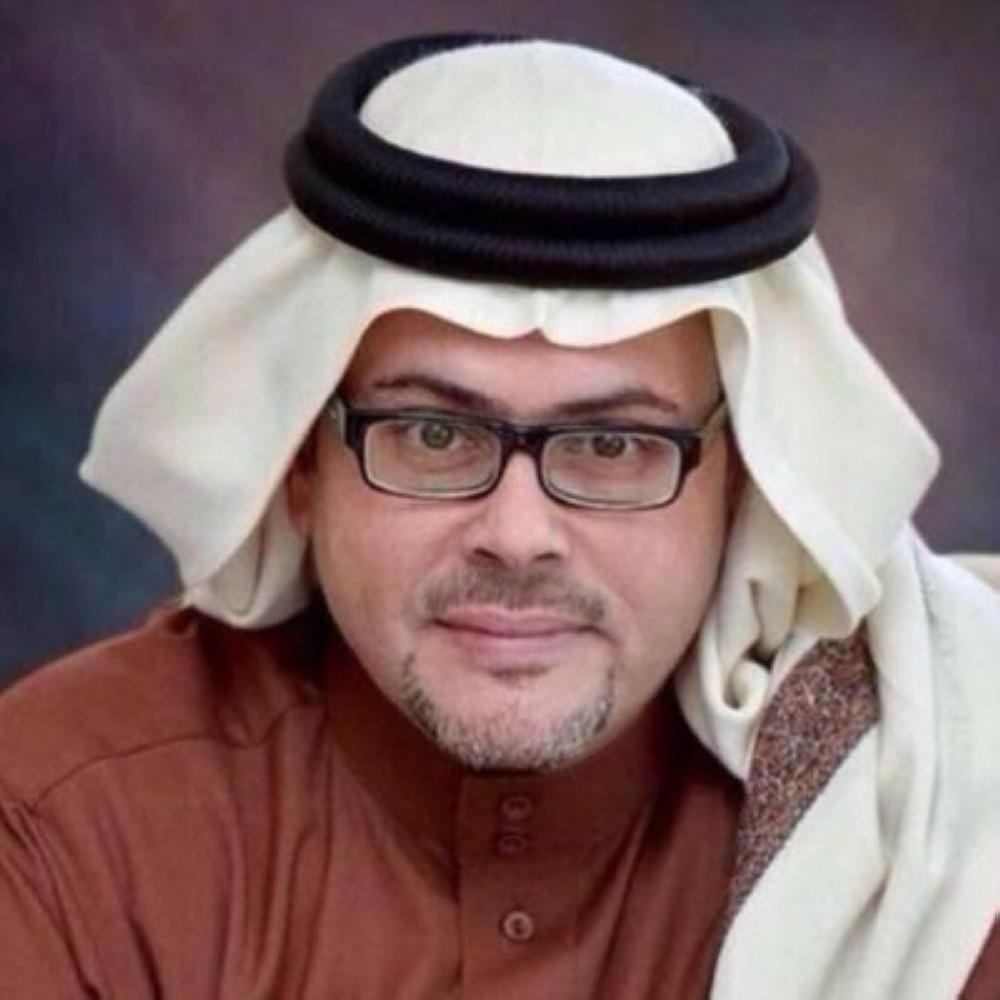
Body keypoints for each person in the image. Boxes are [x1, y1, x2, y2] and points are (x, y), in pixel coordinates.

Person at [1, 33, 997, 999]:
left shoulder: (939, 828)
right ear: (302, 459)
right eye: (433, 435)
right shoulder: (61, 823)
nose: (517, 535)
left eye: (614, 446)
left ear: (739, 485)